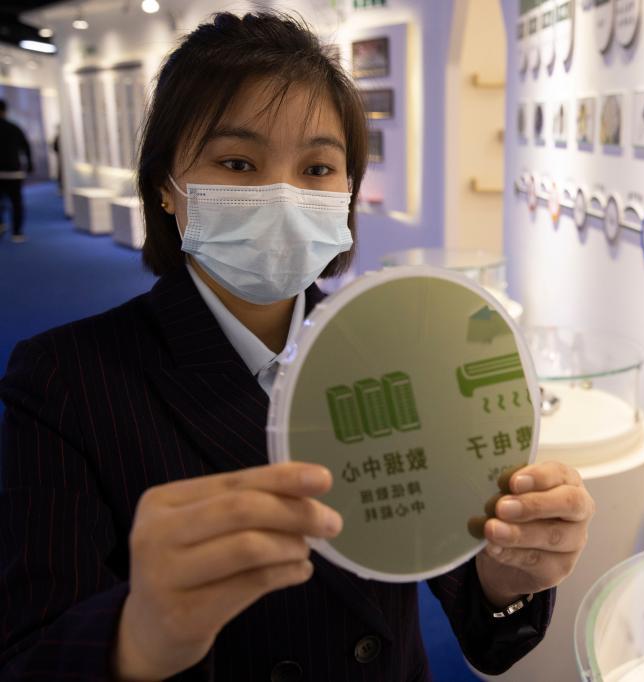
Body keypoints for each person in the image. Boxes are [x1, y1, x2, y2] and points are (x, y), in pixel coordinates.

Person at [0, 11, 595, 681]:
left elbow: (456, 577)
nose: (281, 196)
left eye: (316, 167)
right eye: (237, 163)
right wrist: (137, 636)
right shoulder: (66, 380)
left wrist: (507, 574)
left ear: (346, 191)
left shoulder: (396, 347)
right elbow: (31, 653)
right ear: (167, 186)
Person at [0, 99, 33, 243]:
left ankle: (1, 224)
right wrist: (30, 164)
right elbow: (26, 147)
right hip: (14, 172)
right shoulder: (14, 128)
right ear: (5, 111)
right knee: (16, 203)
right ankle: (17, 232)